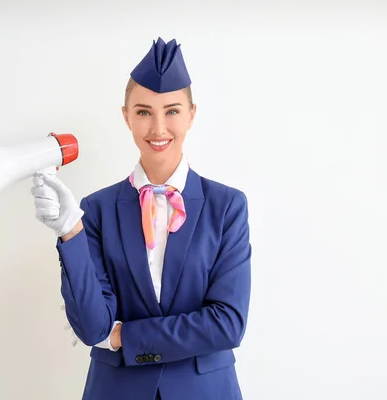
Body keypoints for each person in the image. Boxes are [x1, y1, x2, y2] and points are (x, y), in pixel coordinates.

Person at [31, 37, 252, 400]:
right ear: (126, 117)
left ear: (192, 115)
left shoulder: (226, 206)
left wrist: (125, 337)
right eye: (144, 111)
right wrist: (71, 232)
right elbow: (92, 327)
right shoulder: (96, 209)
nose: (158, 127)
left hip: (205, 391)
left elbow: (227, 324)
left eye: (173, 111)